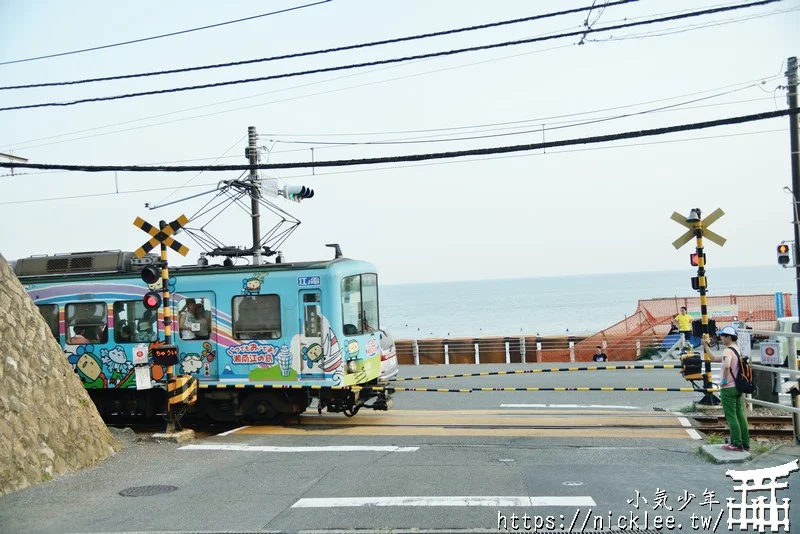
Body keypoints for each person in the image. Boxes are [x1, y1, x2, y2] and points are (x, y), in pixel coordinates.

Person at [702, 325, 750, 452]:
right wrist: (706, 347)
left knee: (731, 416)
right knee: (739, 415)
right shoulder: (736, 349)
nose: (721, 338)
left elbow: (727, 365)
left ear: (729, 337)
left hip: (728, 388)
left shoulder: (728, 350)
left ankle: (736, 444)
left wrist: (723, 379)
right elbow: (714, 359)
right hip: (737, 387)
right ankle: (745, 443)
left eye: (723, 336)